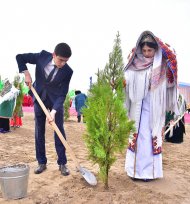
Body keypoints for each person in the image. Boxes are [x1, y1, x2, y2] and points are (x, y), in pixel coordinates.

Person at [124, 31, 178, 181]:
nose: (147, 53)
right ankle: (133, 172)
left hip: (153, 108)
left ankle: (148, 173)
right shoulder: (133, 64)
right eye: (144, 50)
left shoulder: (161, 66)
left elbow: (170, 84)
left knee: (149, 139)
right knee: (136, 137)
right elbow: (126, 80)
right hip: (137, 107)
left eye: (150, 50)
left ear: (156, 50)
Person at [16, 43, 73, 176]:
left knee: (59, 130)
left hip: (55, 102)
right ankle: (41, 162)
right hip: (39, 96)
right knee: (39, 130)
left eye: (66, 61)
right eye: (61, 60)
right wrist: (26, 73)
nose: (63, 63)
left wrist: (53, 111)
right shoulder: (42, 57)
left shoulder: (68, 72)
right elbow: (20, 57)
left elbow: (63, 93)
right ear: (54, 55)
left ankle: (62, 163)